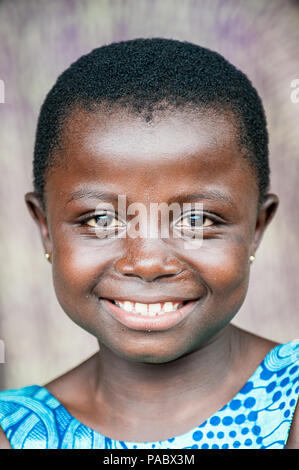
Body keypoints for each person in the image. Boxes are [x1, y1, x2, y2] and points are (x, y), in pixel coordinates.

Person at [0, 38, 298, 450]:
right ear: (45, 227)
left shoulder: (291, 403)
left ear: (258, 228)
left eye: (197, 220)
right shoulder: (14, 431)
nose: (147, 262)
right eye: (102, 220)